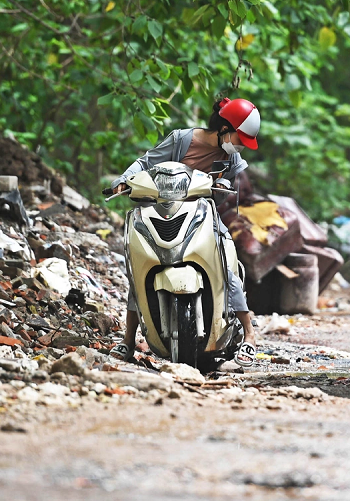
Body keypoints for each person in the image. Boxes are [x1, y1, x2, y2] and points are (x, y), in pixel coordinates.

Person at [109, 98, 260, 367]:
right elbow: (145, 163)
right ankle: (128, 339)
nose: (239, 146)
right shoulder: (181, 139)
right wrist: (123, 180)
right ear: (225, 128)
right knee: (140, 264)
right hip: (164, 211)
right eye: (239, 138)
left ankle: (250, 335)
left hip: (203, 216)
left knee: (226, 260)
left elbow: (226, 192)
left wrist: (222, 184)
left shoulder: (232, 157)